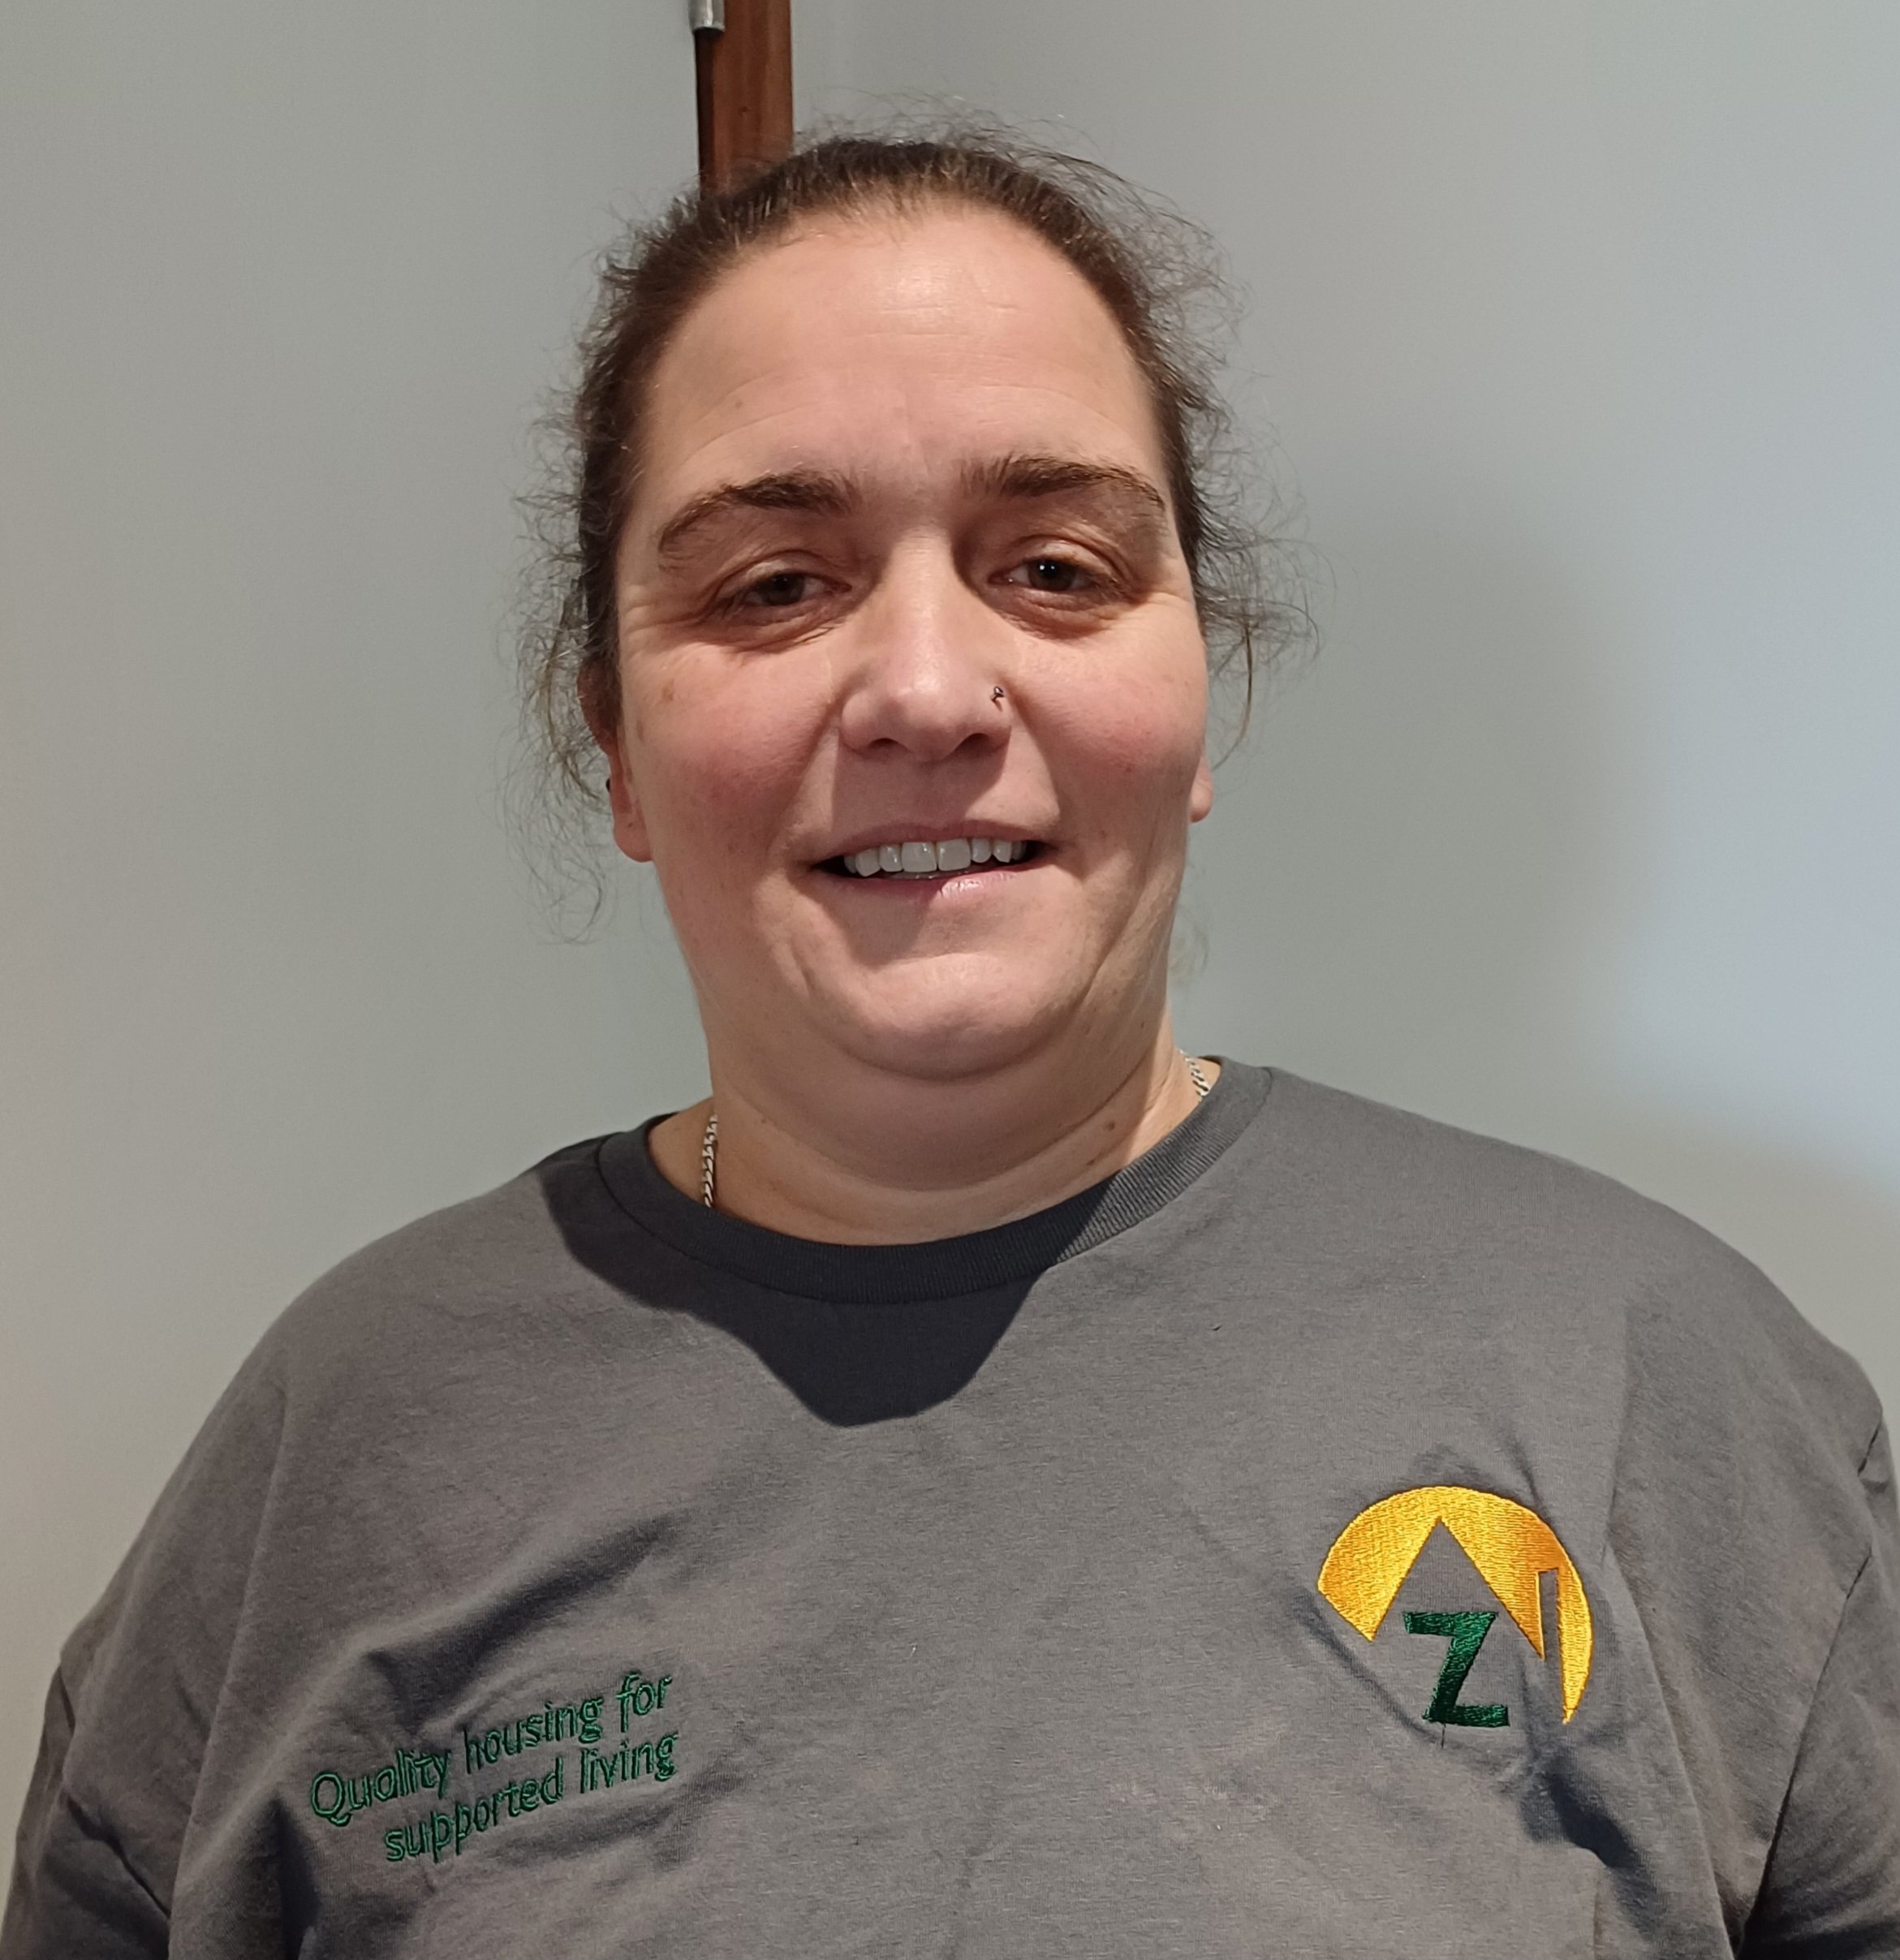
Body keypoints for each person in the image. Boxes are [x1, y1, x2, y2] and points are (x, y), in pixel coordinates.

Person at [3, 127, 1896, 1960]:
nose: (924, 687)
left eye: (1056, 565)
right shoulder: (344, 1442)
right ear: (616, 747)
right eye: (774, 582)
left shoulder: (1648, 1376)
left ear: (1198, 693)